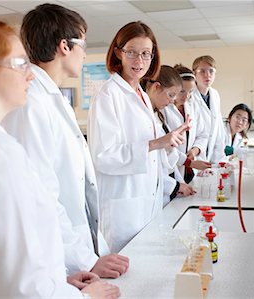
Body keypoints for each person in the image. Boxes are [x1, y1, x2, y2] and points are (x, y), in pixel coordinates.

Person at [0, 17, 119, 298]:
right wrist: (86, 297)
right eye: (19, 64)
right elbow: (24, 289)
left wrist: (57, 280)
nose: (30, 74)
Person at [2, 4, 129, 278]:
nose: (84, 53)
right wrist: (85, 258)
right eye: (82, 44)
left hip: (75, 248)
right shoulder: (31, 103)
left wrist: (93, 252)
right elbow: (41, 197)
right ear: (64, 46)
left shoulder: (53, 98)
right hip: (57, 256)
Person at [88, 21, 189, 253]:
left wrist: (169, 143)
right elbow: (104, 156)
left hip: (146, 204)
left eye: (146, 54)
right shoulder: (107, 95)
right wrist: (157, 143)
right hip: (123, 210)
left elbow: (151, 154)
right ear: (118, 52)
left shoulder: (141, 95)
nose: (139, 61)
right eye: (131, 52)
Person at [142, 65, 197, 206]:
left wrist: (179, 184)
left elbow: (166, 156)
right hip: (151, 191)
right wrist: (176, 186)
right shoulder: (144, 116)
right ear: (156, 87)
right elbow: (149, 162)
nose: (173, 101)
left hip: (165, 185)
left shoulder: (156, 114)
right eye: (171, 95)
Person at [164, 64, 211, 183]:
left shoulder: (192, 106)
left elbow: (203, 134)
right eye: (182, 92)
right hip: (172, 168)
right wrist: (187, 160)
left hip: (191, 168)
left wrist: (195, 150)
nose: (186, 97)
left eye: (190, 91)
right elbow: (165, 145)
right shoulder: (164, 110)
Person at [191, 55, 226, 164]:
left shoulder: (215, 95)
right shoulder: (189, 96)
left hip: (211, 154)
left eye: (211, 71)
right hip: (193, 154)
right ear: (194, 74)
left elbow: (218, 128)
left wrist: (221, 159)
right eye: (202, 71)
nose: (207, 75)